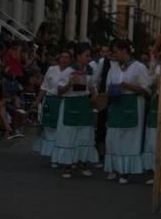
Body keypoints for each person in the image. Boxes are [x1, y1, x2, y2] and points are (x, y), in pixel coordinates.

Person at [103, 40, 151, 184]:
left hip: (133, 105)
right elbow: (107, 87)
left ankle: (126, 171)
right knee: (113, 136)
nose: (114, 55)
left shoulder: (139, 67)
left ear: (124, 51)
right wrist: (114, 89)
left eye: (116, 51)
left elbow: (147, 90)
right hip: (117, 103)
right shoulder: (114, 67)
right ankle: (114, 168)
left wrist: (128, 86)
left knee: (129, 138)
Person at [51, 43, 98, 178]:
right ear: (78, 56)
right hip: (70, 105)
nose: (89, 58)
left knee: (84, 135)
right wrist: (70, 84)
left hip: (84, 105)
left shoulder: (89, 69)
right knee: (69, 136)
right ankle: (67, 166)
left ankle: (81, 163)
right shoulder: (69, 71)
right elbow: (59, 91)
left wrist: (94, 94)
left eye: (89, 55)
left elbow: (92, 85)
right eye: (86, 56)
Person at [31, 50, 72, 159]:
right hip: (49, 100)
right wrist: (37, 101)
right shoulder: (51, 69)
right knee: (49, 126)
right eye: (62, 57)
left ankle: (58, 152)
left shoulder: (71, 71)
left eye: (67, 57)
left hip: (62, 101)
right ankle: (50, 152)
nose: (64, 59)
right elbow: (44, 86)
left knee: (60, 127)